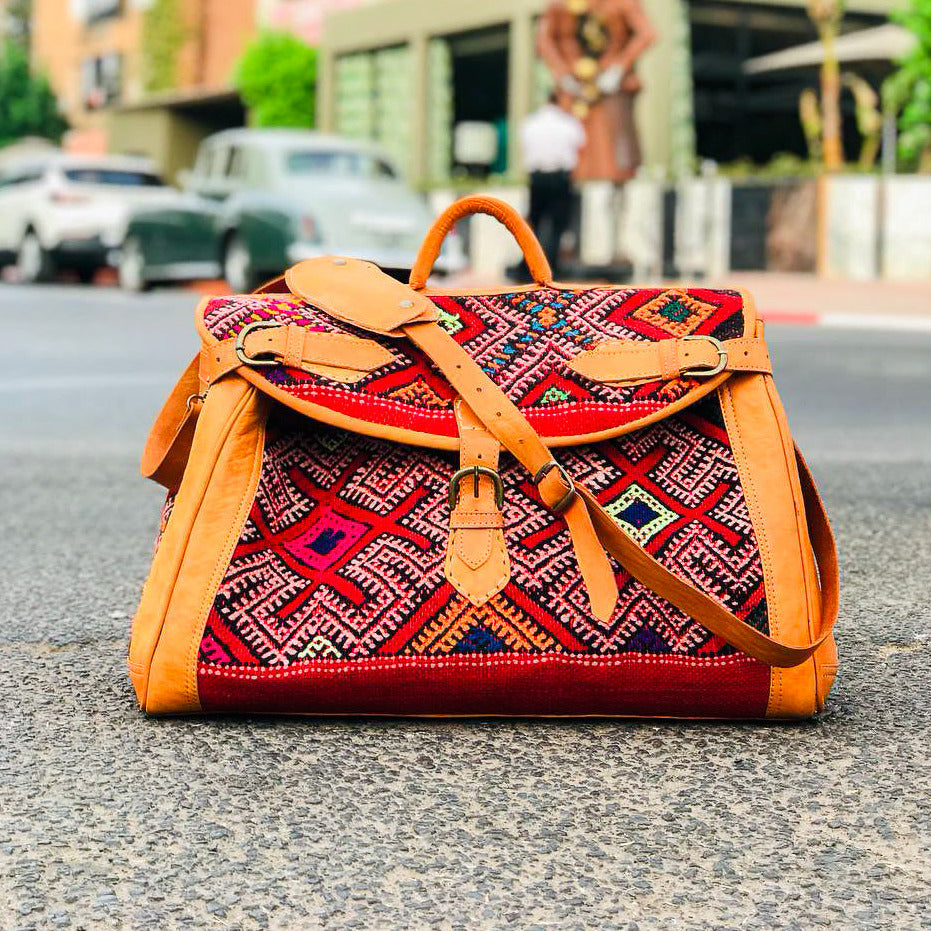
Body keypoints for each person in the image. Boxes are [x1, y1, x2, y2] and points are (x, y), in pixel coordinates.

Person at [539, 0, 656, 183]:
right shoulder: (560, 5)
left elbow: (646, 33)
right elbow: (544, 40)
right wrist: (563, 75)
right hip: (574, 91)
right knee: (574, 149)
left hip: (611, 90)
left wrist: (618, 68)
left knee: (612, 153)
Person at [519, 93, 587, 279]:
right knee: (558, 224)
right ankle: (552, 265)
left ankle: (530, 265)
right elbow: (580, 147)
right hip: (560, 177)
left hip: (537, 177)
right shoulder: (569, 124)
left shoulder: (531, 123)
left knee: (535, 223)